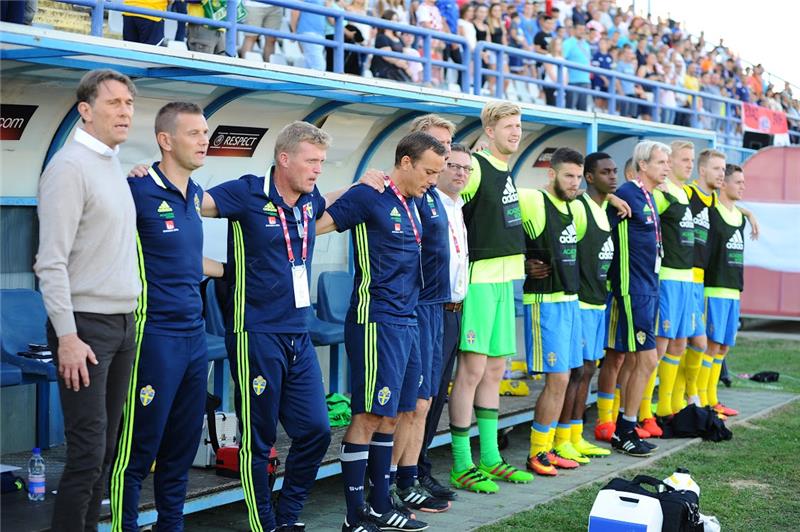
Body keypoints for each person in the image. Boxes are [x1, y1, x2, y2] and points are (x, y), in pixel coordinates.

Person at [201, 122, 337, 531]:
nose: (317, 170)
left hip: (298, 331)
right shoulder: (246, 191)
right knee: (259, 440)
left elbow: (336, 205)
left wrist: (367, 182)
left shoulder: (311, 201)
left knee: (316, 430)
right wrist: (219, 269)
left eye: (322, 163)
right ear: (284, 158)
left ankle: (287, 517)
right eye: (311, 161)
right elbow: (186, 207)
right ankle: (264, 524)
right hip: (254, 332)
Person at [316, 132, 446, 532]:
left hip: (408, 320)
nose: (432, 180)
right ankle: (354, 515)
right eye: (428, 171)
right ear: (405, 162)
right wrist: (350, 186)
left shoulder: (413, 202)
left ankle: (379, 504)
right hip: (375, 321)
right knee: (369, 415)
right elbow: (311, 222)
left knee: (392, 416)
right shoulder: (369, 195)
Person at [34, 69, 140, 532]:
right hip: (84, 328)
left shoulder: (111, 163)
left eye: (129, 104)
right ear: (86, 110)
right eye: (114, 103)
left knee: (107, 450)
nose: (124, 111)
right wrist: (68, 336)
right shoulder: (68, 167)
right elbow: (49, 263)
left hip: (121, 324)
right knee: (87, 452)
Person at [109, 102, 219, 531]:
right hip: (153, 337)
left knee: (181, 447)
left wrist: (231, 271)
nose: (204, 140)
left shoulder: (194, 194)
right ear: (165, 140)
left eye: (206, 132)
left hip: (194, 338)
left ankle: (170, 525)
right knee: (139, 449)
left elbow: (187, 258)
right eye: (194, 133)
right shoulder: (134, 190)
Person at [448, 101, 532, 494]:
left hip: (506, 278)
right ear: (490, 130)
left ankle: (490, 458)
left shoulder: (504, 169)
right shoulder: (477, 166)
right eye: (509, 126)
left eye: (519, 126)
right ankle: (462, 462)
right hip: (480, 280)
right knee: (471, 372)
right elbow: (451, 210)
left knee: (496, 371)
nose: (516, 132)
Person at [390, 116, 457, 513]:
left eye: (447, 146)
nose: (443, 153)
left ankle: (410, 476)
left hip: (437, 307)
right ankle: (393, 480)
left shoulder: (435, 194)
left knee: (426, 402)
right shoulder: (406, 191)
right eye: (436, 144)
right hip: (412, 307)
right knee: (408, 403)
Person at [519, 148, 585, 476]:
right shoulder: (534, 199)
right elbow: (495, 220)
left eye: (578, 176)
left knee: (568, 376)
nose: (574, 182)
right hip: (545, 302)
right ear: (552, 174)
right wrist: (522, 261)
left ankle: (552, 446)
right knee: (557, 378)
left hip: (569, 300)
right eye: (568, 176)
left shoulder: (571, 206)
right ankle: (536, 452)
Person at [606, 141, 671, 457]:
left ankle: (626, 427)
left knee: (638, 358)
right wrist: (609, 196)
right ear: (643, 164)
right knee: (646, 358)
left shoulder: (650, 197)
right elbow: (598, 207)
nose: (666, 167)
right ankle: (625, 428)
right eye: (661, 162)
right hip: (633, 288)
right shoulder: (629, 193)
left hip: (649, 286)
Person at [417, 143, 470, 501]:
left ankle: (420, 469)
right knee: (423, 395)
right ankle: (409, 473)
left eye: (467, 168)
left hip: (454, 310)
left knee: (437, 396)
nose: (460, 173)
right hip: (431, 309)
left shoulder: (458, 206)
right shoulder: (427, 202)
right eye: (453, 165)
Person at [639, 141, 697, 429]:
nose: (689, 164)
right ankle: (644, 409)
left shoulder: (683, 193)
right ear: (669, 162)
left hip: (687, 279)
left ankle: (668, 405)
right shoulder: (661, 195)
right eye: (684, 159)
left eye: (692, 160)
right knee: (658, 347)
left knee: (679, 344)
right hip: (668, 278)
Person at [570, 152, 616, 460]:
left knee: (589, 370)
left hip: (599, 301)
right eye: (605, 172)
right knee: (578, 371)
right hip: (581, 302)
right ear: (589, 177)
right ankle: (565, 437)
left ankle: (575, 434)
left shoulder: (604, 209)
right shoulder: (579, 207)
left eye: (614, 171)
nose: (613, 176)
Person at [699, 164, 748, 417]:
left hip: (733, 290)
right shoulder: (711, 212)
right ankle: (703, 400)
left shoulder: (740, 216)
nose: (742, 186)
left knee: (724, 347)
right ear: (724, 184)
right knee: (710, 345)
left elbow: (740, 211)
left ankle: (713, 398)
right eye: (738, 182)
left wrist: (749, 214)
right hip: (713, 289)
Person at [562, 22, 592, 110]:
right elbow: (562, 58)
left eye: (583, 29)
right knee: (570, 109)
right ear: (574, 30)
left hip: (585, 80)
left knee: (583, 110)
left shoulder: (586, 44)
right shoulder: (568, 43)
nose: (582, 31)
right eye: (579, 29)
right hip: (572, 81)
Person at [292, 0, 327, 71]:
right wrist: (294, 31)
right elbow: (295, 9)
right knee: (319, 66)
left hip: (320, 33)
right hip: (308, 31)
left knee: (309, 65)